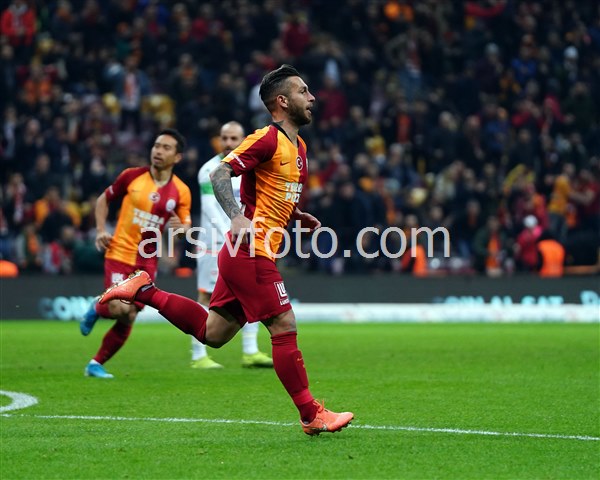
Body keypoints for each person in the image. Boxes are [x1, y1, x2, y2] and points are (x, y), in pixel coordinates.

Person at [99, 65, 354, 435]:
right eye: (303, 91)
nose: (312, 97)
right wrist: (236, 216)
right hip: (250, 251)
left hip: (249, 252)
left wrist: (295, 214)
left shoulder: (299, 147)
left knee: (213, 333)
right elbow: (220, 173)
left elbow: (270, 192)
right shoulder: (265, 138)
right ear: (282, 101)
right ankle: (310, 414)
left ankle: (144, 290)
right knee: (283, 324)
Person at [79, 128, 191, 379]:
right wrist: (100, 230)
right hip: (119, 252)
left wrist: (181, 230)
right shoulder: (132, 176)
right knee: (119, 308)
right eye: (156, 145)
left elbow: (184, 228)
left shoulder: (181, 191)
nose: (158, 151)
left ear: (177, 157)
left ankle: (95, 364)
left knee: (129, 315)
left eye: (166, 148)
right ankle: (97, 307)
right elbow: (103, 199)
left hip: (147, 261)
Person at [193, 120, 272, 369]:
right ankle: (198, 355)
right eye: (224, 138)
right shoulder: (210, 169)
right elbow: (210, 209)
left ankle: (250, 351)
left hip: (244, 242)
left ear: (243, 140)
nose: (227, 143)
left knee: (251, 292)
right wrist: (231, 234)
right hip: (213, 243)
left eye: (233, 138)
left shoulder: (250, 168)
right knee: (206, 295)